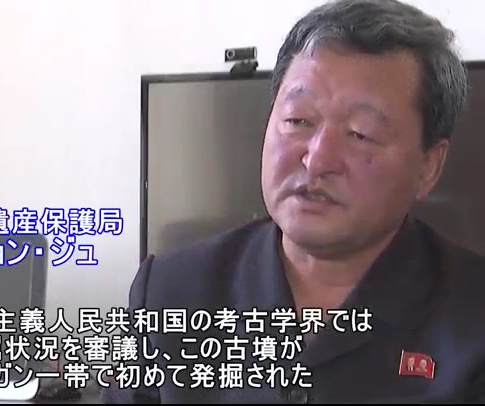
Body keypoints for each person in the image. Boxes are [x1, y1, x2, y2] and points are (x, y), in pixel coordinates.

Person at [102, 0, 485, 403]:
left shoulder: (472, 316)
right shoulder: (170, 291)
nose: (317, 159)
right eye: (298, 120)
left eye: (361, 133)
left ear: (428, 166)